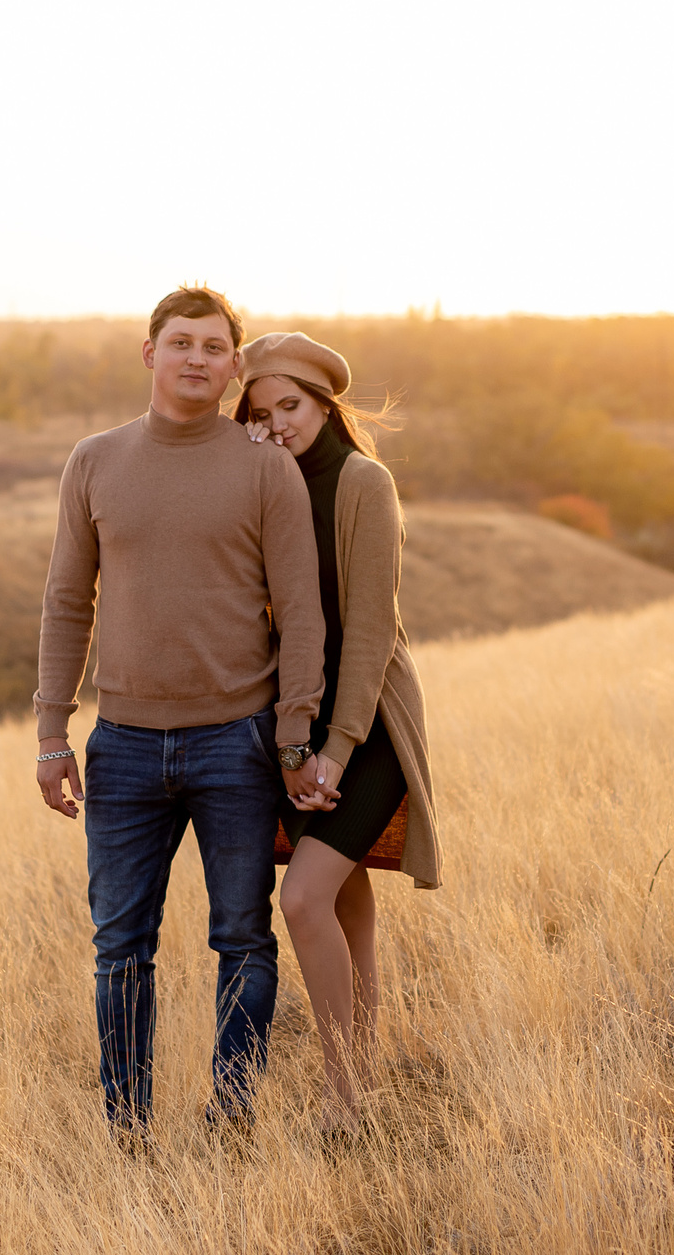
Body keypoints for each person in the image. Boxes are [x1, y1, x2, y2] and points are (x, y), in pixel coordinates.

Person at [33, 286, 328, 1137]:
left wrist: (296, 728)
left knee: (242, 937)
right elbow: (65, 602)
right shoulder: (94, 460)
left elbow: (300, 610)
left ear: (234, 364)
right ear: (149, 352)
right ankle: (128, 1128)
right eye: (181, 342)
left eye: (214, 346)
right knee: (120, 945)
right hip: (121, 745)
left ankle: (232, 1118)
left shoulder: (265, 468)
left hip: (237, 740)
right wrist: (53, 732)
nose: (197, 357)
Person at [235, 331, 444, 1134]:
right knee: (347, 899)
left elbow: (369, 630)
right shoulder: (266, 483)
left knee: (304, 898)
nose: (280, 422)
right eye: (261, 412)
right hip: (294, 724)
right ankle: (367, 1074)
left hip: (367, 724)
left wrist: (336, 747)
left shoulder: (364, 482)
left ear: (325, 403)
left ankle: (343, 1098)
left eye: (291, 405)